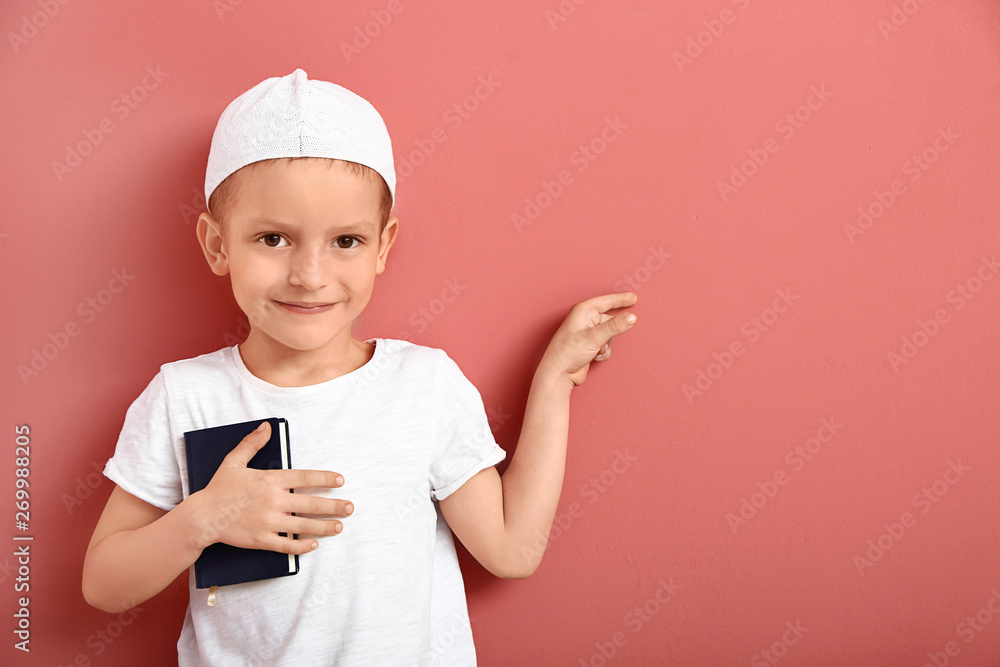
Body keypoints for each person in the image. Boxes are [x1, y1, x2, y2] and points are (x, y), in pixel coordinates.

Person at [81, 68, 638, 666]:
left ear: (383, 246)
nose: (309, 274)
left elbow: (511, 550)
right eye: (273, 238)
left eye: (345, 241)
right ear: (218, 244)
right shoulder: (183, 396)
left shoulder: (423, 385)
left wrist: (555, 379)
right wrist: (202, 520)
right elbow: (103, 584)